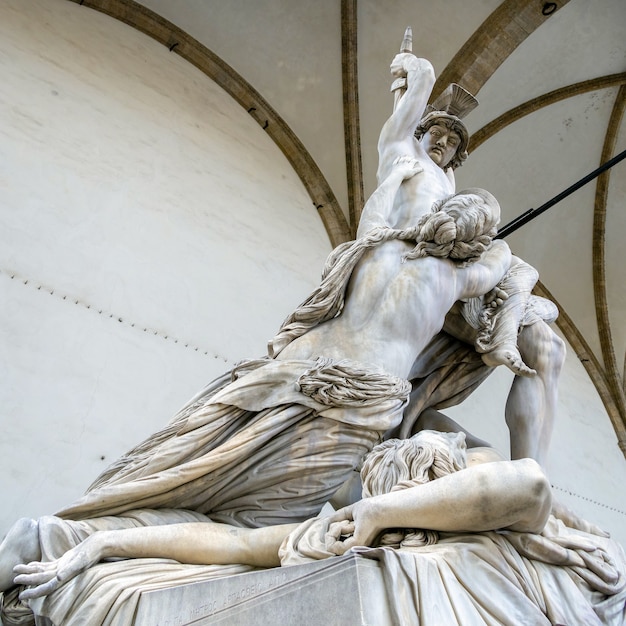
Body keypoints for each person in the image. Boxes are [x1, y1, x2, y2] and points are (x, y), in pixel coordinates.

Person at [0, 156, 511, 618]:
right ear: (470, 244)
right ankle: (68, 540)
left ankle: (58, 538)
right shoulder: (454, 279)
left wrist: (400, 175)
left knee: (186, 477)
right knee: (245, 532)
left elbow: (375, 212)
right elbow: (504, 266)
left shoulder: (377, 244)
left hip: (277, 383)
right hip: (350, 411)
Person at [12, 433, 625, 626]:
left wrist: (381, 514)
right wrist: (100, 543)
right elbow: (228, 544)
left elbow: (528, 486)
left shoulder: (506, 531)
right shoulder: (334, 533)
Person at [376, 51, 566, 466]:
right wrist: (411, 69)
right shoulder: (401, 153)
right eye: (437, 134)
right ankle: (502, 331)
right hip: (417, 260)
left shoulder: (445, 180)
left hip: (455, 264)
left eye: (454, 142)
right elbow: (410, 110)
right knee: (506, 260)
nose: (444, 143)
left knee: (546, 342)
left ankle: (531, 479)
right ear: (419, 132)